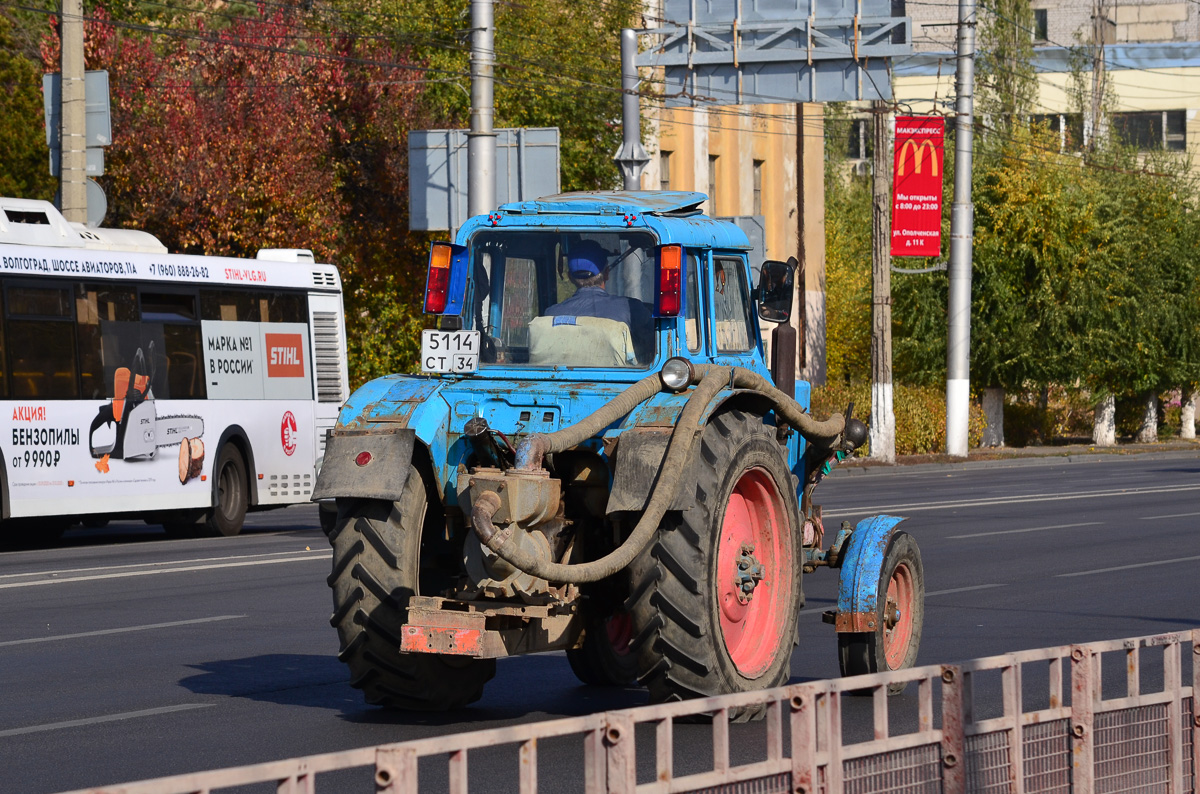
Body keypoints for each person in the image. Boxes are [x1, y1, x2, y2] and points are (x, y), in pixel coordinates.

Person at [544, 240, 654, 363]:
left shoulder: (550, 315)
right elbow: (654, 346)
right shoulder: (631, 309)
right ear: (606, 273)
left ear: (570, 277)